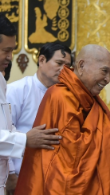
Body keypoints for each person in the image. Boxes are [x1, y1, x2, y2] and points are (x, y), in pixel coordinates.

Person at [15, 44, 110, 195]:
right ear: (81, 65)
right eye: (104, 71)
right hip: (55, 185)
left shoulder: (89, 97)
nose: (108, 79)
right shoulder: (61, 96)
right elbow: (72, 152)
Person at [0, 14, 62, 195]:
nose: (10, 57)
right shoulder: (19, 89)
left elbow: (7, 126)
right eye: (6, 50)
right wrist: (25, 139)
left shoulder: (1, 80)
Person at [5, 42, 72, 193]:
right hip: (20, 175)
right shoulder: (17, 90)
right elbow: (3, 134)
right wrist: (10, 175)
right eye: (59, 63)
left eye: (68, 66)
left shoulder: (67, 97)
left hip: (55, 179)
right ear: (42, 60)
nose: (64, 70)